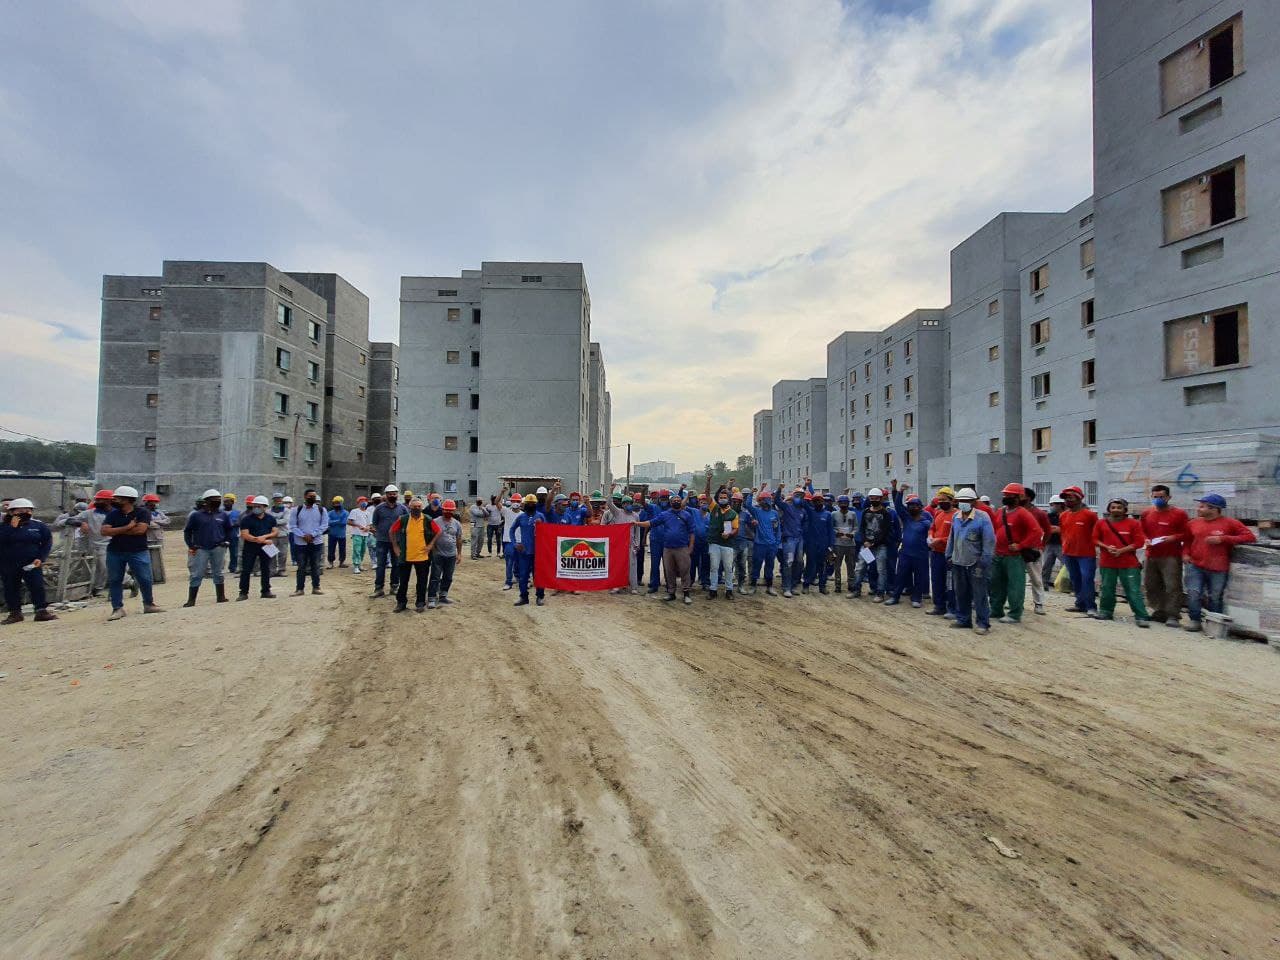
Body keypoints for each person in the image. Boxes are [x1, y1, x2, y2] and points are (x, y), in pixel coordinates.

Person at [1182, 493, 1256, 633]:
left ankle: (1214, 623)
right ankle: (1195, 620)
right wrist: (1185, 554)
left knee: (1215, 596)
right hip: (1195, 565)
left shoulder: (1230, 523)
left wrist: (1223, 539)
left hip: (1218, 567)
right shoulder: (1193, 523)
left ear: (1214, 509)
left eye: (1202, 507)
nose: (1198, 509)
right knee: (1193, 593)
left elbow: (1249, 537)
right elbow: (1187, 540)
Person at [101, 485, 163, 621]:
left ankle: (148, 604)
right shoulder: (113, 514)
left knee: (145, 578)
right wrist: (128, 527)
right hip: (115, 551)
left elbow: (140, 530)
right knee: (115, 580)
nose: (114, 500)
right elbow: (104, 531)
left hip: (137, 550)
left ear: (127, 500)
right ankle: (117, 608)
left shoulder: (142, 513)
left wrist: (116, 531)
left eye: (117, 498)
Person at [1092, 498, 1151, 626]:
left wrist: (1122, 550)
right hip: (1107, 562)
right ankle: (1105, 611)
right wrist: (1107, 547)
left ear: (1125, 509)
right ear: (1109, 509)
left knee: (1133, 590)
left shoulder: (1134, 524)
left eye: (1119, 507)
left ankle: (1141, 616)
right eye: (1113, 507)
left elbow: (1139, 542)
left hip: (1128, 563)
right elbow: (1095, 539)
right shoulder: (1101, 523)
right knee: (1107, 588)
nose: (1116, 510)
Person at [1139, 484, 1190, 627]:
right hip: (1151, 554)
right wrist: (1145, 539)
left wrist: (1173, 537)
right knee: (1151, 584)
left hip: (1171, 555)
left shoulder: (1179, 514)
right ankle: (1158, 610)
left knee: (1172, 585)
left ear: (1168, 497)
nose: (1158, 499)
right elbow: (1141, 531)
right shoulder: (1146, 513)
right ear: (1151, 497)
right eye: (1155, 497)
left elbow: (1186, 533)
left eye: (1161, 497)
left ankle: (1173, 615)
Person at [989, 483, 1040, 625]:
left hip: (1014, 557)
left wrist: (1021, 545)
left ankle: (1014, 613)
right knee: (996, 584)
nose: (1006, 497)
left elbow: (1036, 532)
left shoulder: (1023, 513)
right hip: (998, 554)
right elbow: (994, 529)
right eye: (1005, 495)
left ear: (1018, 497)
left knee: (1015, 585)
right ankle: (995, 609)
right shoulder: (1000, 511)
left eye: (1010, 495)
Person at [945, 488, 994, 635]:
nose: (963, 503)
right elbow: (951, 537)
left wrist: (984, 561)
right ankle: (963, 619)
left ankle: (983, 623)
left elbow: (989, 541)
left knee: (979, 594)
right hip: (958, 561)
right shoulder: (956, 517)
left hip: (976, 563)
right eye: (961, 501)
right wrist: (948, 555)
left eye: (966, 501)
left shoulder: (982, 518)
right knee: (961, 592)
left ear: (973, 502)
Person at [1, 498, 57, 623]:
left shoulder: (38, 525)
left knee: (37, 586)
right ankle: (15, 613)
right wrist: (12, 528)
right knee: (11, 587)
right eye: (20, 510)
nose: (25, 512)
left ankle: (41, 611)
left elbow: (47, 542)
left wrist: (40, 558)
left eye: (28, 510)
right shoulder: (4, 527)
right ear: (11, 512)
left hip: (32, 562)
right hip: (8, 563)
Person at [183, 489, 233, 606]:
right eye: (213, 500)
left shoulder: (223, 515)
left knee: (218, 573)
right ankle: (191, 600)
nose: (217, 502)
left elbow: (229, 530)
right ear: (206, 501)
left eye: (218, 499)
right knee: (197, 574)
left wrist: (226, 541)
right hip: (201, 548)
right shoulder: (196, 516)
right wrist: (191, 545)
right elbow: (187, 531)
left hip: (218, 547)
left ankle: (221, 597)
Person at [853, 487, 899, 602]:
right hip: (866, 546)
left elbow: (885, 531)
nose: (873, 500)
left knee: (881, 569)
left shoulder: (886, 513)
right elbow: (862, 528)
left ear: (881, 499)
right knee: (860, 568)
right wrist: (865, 541)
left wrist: (873, 543)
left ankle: (880, 593)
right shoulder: (866, 512)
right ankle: (856, 590)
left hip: (880, 547)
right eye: (871, 498)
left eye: (876, 498)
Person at [1058, 486, 1099, 615]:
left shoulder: (1090, 515)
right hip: (1069, 553)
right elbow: (1063, 533)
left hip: (1086, 554)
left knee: (1087, 579)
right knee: (1075, 579)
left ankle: (1091, 606)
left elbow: (1097, 533)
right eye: (1065, 498)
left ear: (1079, 498)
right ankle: (1080, 604)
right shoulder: (1063, 515)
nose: (1067, 500)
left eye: (1070, 497)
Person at [887, 494, 931, 607]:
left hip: (920, 555)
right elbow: (897, 505)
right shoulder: (906, 519)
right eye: (910, 505)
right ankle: (895, 597)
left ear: (921, 507)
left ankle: (916, 598)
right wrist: (900, 491)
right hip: (905, 554)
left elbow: (931, 537)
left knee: (919, 577)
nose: (913, 507)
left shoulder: (926, 523)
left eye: (916, 505)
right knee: (900, 576)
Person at [390, 497, 433, 612]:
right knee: (403, 581)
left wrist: (430, 546)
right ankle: (401, 603)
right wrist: (395, 546)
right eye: (414, 507)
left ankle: (420, 603)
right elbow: (392, 531)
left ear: (422, 507)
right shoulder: (403, 519)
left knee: (422, 582)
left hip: (422, 557)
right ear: (410, 507)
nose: (417, 508)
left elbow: (438, 532)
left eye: (419, 507)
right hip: (406, 556)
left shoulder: (427, 519)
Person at [654, 493, 696, 604]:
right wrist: (637, 523)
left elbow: (692, 532)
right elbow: (652, 523)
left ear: (681, 502)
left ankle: (686, 593)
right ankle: (671, 593)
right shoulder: (665, 514)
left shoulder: (686, 515)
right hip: (668, 548)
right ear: (670, 502)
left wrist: (690, 547)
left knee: (684, 571)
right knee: (669, 571)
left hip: (682, 548)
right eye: (674, 500)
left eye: (678, 499)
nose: (676, 501)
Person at [236, 496, 278, 600]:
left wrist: (265, 537)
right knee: (246, 569)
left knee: (266, 569)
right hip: (250, 547)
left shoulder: (270, 518)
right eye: (254, 506)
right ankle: (243, 592)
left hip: (266, 547)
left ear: (265, 507)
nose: (256, 508)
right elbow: (245, 535)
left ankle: (266, 591)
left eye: (258, 506)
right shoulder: (246, 519)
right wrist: (261, 540)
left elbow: (275, 531)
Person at [370, 484, 408, 597]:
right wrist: (378, 534)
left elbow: (407, 524)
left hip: (397, 542)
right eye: (390, 494)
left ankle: (394, 587)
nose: (392, 495)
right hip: (382, 541)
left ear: (397, 495)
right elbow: (375, 523)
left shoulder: (402, 509)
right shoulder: (379, 508)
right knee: (380, 565)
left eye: (394, 494)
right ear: (386, 495)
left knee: (396, 564)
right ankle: (378, 589)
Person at [1019, 486, 1051, 616]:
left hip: (1033, 550)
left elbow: (1047, 530)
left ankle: (1038, 604)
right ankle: (1017, 603)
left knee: (1036, 579)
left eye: (1021, 495)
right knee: (1017, 578)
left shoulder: (1039, 513)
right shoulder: (1012, 511)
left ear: (1028, 497)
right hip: (1016, 549)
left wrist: (1042, 545)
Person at [926, 487, 957, 617]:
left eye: (944, 500)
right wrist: (931, 536)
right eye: (939, 500)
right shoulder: (938, 513)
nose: (941, 502)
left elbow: (955, 536)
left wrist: (940, 540)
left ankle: (952, 608)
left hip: (949, 555)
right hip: (936, 553)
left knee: (950, 582)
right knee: (936, 580)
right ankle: (939, 606)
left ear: (952, 500)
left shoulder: (957, 515)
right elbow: (932, 528)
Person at [290, 489, 327, 596]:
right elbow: (292, 525)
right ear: (305, 496)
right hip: (301, 543)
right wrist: (303, 535)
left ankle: (316, 587)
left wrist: (313, 535)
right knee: (301, 566)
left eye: (314, 496)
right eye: (311, 496)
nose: (313, 498)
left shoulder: (321, 510)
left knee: (315, 565)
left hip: (316, 543)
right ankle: (299, 589)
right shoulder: (297, 510)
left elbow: (324, 525)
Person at [428, 500, 464, 608]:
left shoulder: (457, 524)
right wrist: (434, 550)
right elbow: (430, 537)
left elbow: (459, 539)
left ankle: (443, 596)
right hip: (438, 554)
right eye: (446, 510)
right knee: (435, 576)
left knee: (448, 577)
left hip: (451, 555)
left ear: (453, 511)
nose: (448, 512)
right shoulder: (435, 521)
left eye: (450, 511)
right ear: (442, 510)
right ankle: (431, 598)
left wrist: (459, 554)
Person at [511, 493, 546, 606]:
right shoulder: (521, 517)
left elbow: (547, 532)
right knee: (523, 576)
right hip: (524, 552)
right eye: (528, 503)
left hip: (538, 552)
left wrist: (542, 525)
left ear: (535, 504)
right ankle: (523, 597)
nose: (530, 505)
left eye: (533, 503)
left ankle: (540, 597)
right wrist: (515, 543)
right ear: (525, 504)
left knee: (539, 576)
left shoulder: (540, 516)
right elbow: (511, 530)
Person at [705, 491, 738, 598]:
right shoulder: (714, 508)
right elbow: (707, 494)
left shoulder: (733, 513)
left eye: (724, 497)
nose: (722, 499)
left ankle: (729, 590)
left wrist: (729, 534)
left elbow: (736, 529)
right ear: (718, 499)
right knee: (714, 567)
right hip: (714, 543)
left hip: (727, 544)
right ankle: (713, 590)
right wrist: (708, 481)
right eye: (720, 497)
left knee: (728, 568)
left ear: (728, 499)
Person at [750, 491, 782, 596]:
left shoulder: (775, 513)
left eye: (764, 499)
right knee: (757, 565)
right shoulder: (757, 512)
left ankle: (769, 586)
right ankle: (753, 585)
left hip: (772, 545)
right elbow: (747, 505)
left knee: (770, 565)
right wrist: (751, 494)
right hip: (759, 544)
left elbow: (778, 529)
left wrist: (777, 543)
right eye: (761, 500)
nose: (762, 502)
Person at [777, 487, 806, 598]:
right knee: (788, 562)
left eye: (801, 495)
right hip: (789, 539)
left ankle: (793, 586)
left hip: (799, 539)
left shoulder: (803, 511)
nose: (799, 497)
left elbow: (804, 524)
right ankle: (786, 587)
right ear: (793, 496)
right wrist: (779, 490)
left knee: (799, 562)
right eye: (797, 495)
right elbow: (777, 501)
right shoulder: (787, 507)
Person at [801, 492, 833, 594]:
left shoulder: (828, 514)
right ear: (812, 502)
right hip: (811, 544)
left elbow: (831, 531)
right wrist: (805, 487)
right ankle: (806, 585)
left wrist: (831, 546)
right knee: (810, 565)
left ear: (823, 501)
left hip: (823, 545)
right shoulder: (810, 512)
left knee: (823, 566)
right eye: (815, 501)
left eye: (819, 500)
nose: (817, 502)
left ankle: (822, 586)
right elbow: (803, 502)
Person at [829, 495, 859, 595]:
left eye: (845, 503)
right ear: (838, 504)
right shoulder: (834, 514)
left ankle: (851, 583)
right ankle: (837, 585)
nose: (843, 505)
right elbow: (831, 527)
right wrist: (835, 533)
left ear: (848, 503)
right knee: (837, 565)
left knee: (851, 565)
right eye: (841, 503)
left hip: (850, 544)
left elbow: (855, 527)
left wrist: (853, 534)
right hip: (838, 543)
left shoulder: (852, 514)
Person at [141, 492, 171, 584]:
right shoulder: (143, 512)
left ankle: (158, 576)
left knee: (158, 560)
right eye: (152, 502)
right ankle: (149, 578)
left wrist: (156, 522)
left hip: (158, 538)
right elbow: (149, 524)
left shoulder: (158, 512)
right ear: (147, 502)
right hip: (147, 539)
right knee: (147, 560)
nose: (154, 504)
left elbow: (167, 521)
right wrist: (158, 523)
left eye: (155, 502)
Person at [1040, 495, 1065, 586]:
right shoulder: (1049, 516)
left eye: (1052, 504)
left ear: (1060, 505)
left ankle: (1068, 585)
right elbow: (1044, 527)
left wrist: (1060, 530)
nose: (1051, 506)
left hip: (1062, 544)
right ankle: (1044, 584)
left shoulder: (1066, 516)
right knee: (1046, 565)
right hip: (1049, 544)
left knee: (1067, 566)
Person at [500, 495, 523, 589]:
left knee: (519, 562)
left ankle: (518, 578)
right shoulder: (506, 511)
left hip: (520, 542)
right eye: (513, 501)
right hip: (509, 541)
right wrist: (502, 492)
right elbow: (497, 503)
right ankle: (508, 582)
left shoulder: (523, 514)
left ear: (521, 502)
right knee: (509, 562)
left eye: (517, 501)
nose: (515, 503)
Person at [346, 496, 373, 574]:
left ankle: (360, 563)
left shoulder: (368, 512)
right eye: (361, 501)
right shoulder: (354, 511)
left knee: (363, 550)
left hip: (365, 534)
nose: (363, 502)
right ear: (358, 503)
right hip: (357, 534)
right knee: (357, 550)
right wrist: (358, 525)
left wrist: (368, 527)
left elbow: (370, 523)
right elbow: (349, 522)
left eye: (365, 501)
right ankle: (356, 565)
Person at [326, 496, 349, 568]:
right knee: (331, 549)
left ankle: (341, 562)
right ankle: (330, 563)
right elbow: (327, 522)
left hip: (342, 534)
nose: (336, 505)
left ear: (341, 503)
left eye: (338, 503)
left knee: (342, 549)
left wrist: (333, 522)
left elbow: (343, 523)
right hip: (332, 534)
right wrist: (338, 520)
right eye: (334, 503)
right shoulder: (330, 513)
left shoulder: (346, 513)